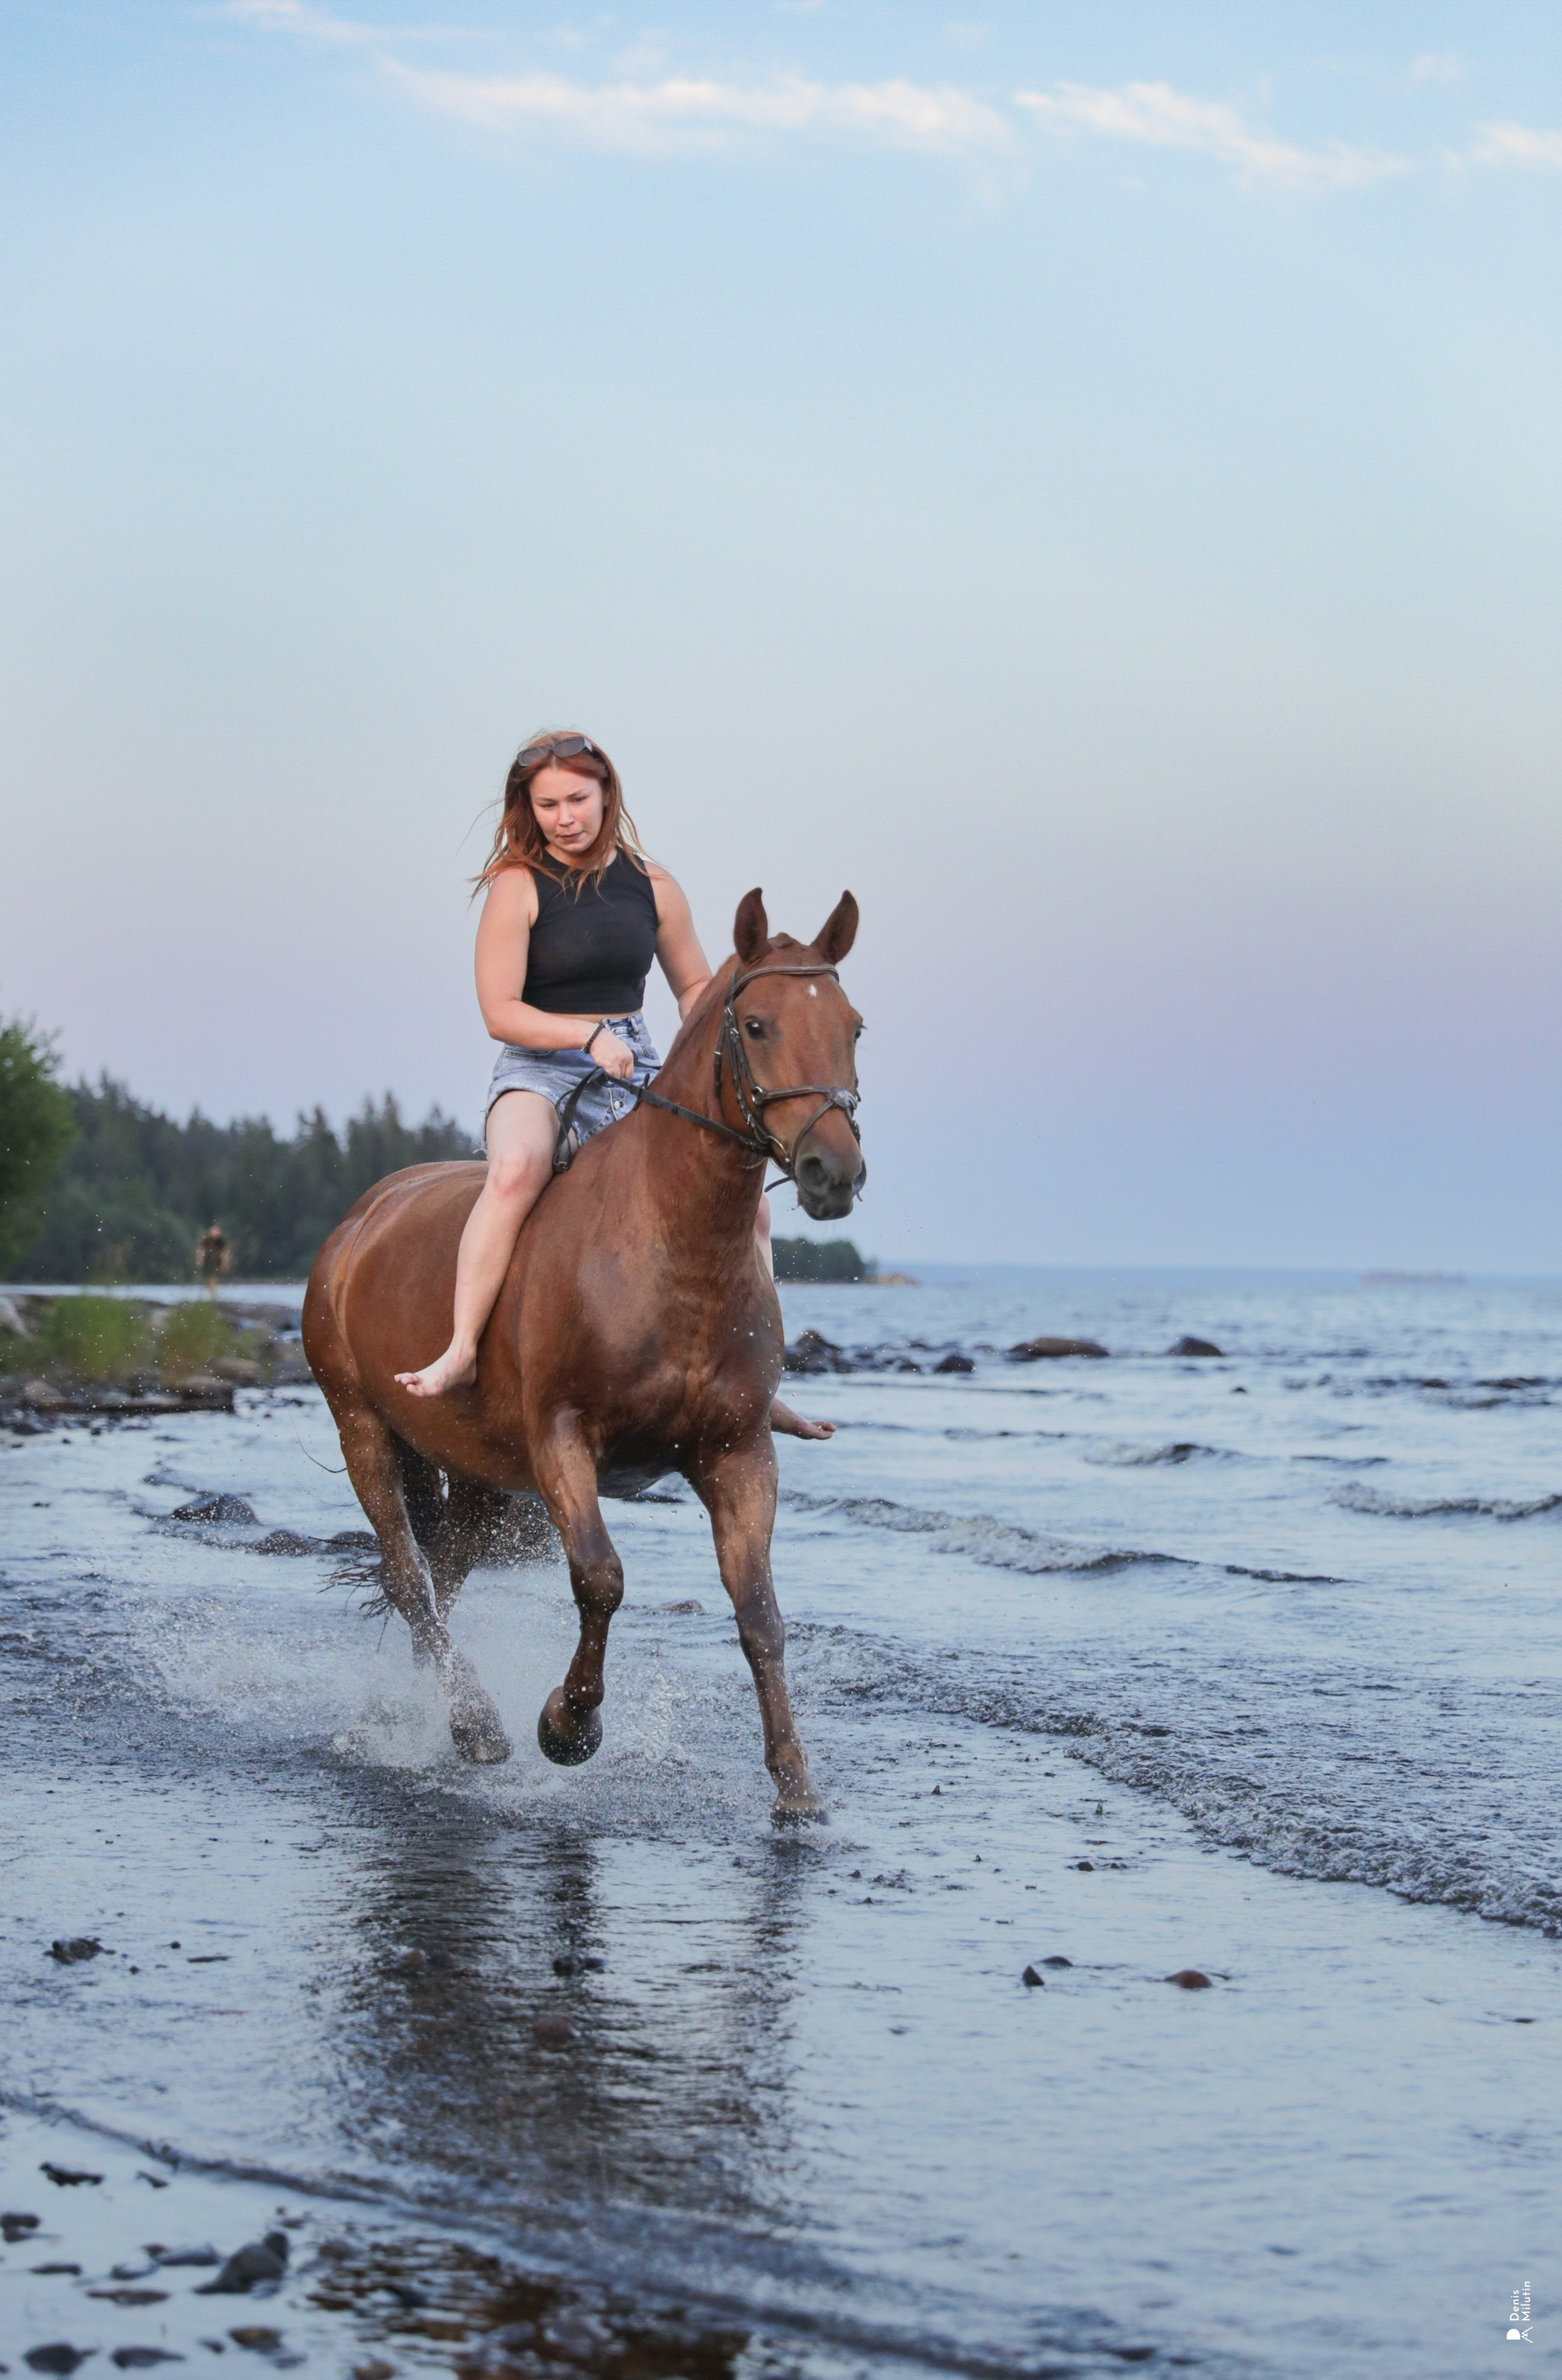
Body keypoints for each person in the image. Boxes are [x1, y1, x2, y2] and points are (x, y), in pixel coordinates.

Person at [395, 730, 832, 1440]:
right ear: (527, 809)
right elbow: (498, 1011)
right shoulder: (517, 888)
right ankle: (462, 1349)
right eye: (547, 805)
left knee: (749, 1205)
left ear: (607, 795)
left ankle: (756, 1376)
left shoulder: (653, 885)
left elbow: (694, 987)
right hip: (538, 1065)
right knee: (515, 1170)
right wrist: (583, 1035)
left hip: (636, 1065)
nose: (564, 817)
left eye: (577, 799)